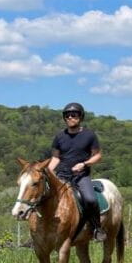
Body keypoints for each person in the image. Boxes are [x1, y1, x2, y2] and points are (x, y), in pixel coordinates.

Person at [48, 102, 106, 242]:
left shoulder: (89, 135)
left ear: (80, 117)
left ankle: (96, 228)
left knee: (90, 199)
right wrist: (47, 171)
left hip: (81, 176)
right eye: (67, 115)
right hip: (62, 175)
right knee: (43, 196)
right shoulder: (59, 136)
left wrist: (84, 164)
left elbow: (97, 156)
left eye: (73, 115)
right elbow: (55, 157)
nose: (70, 117)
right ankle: (41, 231)